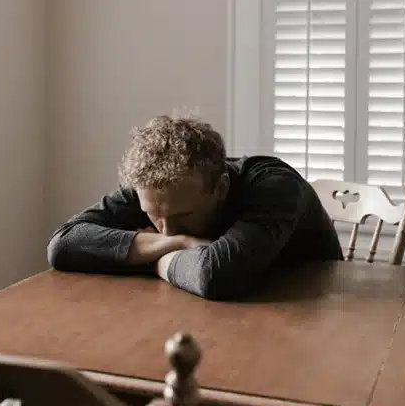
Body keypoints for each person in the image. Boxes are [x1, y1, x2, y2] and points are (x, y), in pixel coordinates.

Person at [47, 114, 342, 301]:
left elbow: (217, 275)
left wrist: (151, 258)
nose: (167, 229)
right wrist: (179, 244)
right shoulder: (155, 188)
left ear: (221, 187)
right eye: (154, 216)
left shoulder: (274, 184)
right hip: (208, 311)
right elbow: (63, 245)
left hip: (320, 314)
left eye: (182, 217)